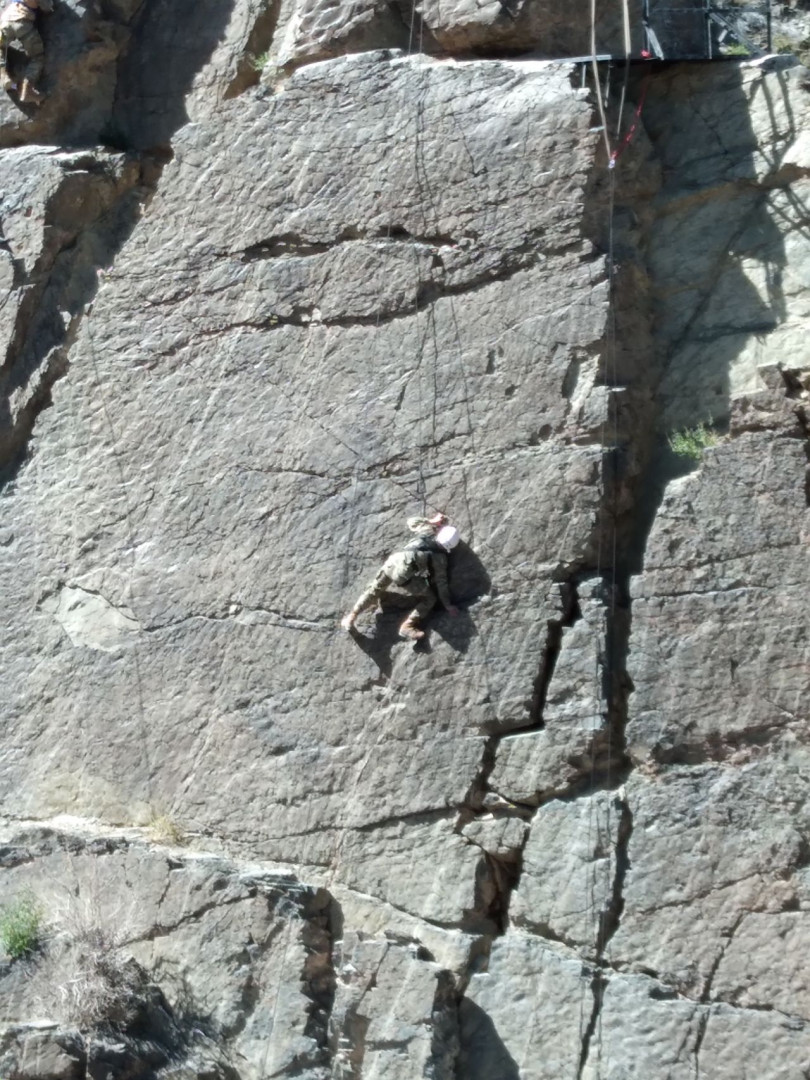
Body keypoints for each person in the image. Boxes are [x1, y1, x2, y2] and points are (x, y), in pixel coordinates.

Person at [341, 513, 460, 641]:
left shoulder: (427, 531)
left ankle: (351, 617)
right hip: (404, 577)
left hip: (391, 563)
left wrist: (431, 521)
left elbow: (411, 521)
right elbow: (441, 583)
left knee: (374, 589)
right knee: (430, 598)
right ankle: (407, 626)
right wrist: (448, 605)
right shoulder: (440, 558)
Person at [0, 0, 53, 106]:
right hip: (22, 24)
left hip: (5, 23)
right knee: (37, 58)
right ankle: (27, 90)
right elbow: (48, 8)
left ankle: (4, 77)